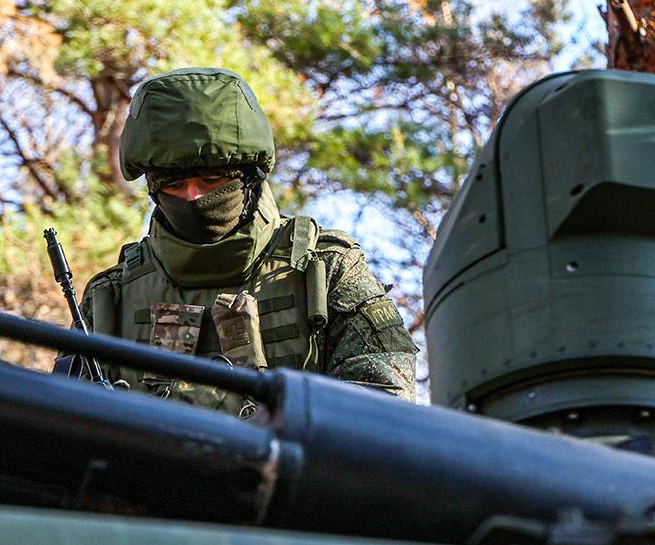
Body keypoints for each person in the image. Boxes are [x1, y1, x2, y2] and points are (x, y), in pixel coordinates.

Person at [78, 67, 418, 416]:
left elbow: (386, 411)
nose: (193, 198)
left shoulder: (326, 269)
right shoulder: (112, 295)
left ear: (249, 178)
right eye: (174, 185)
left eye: (212, 180)